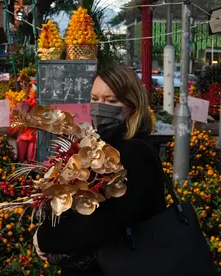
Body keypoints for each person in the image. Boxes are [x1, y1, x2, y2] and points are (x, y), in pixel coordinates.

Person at [33, 65, 167, 276]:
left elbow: (102, 224)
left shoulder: (133, 153)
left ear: (132, 106)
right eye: (95, 99)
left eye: (111, 101)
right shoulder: (100, 148)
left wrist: (45, 238)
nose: (99, 107)